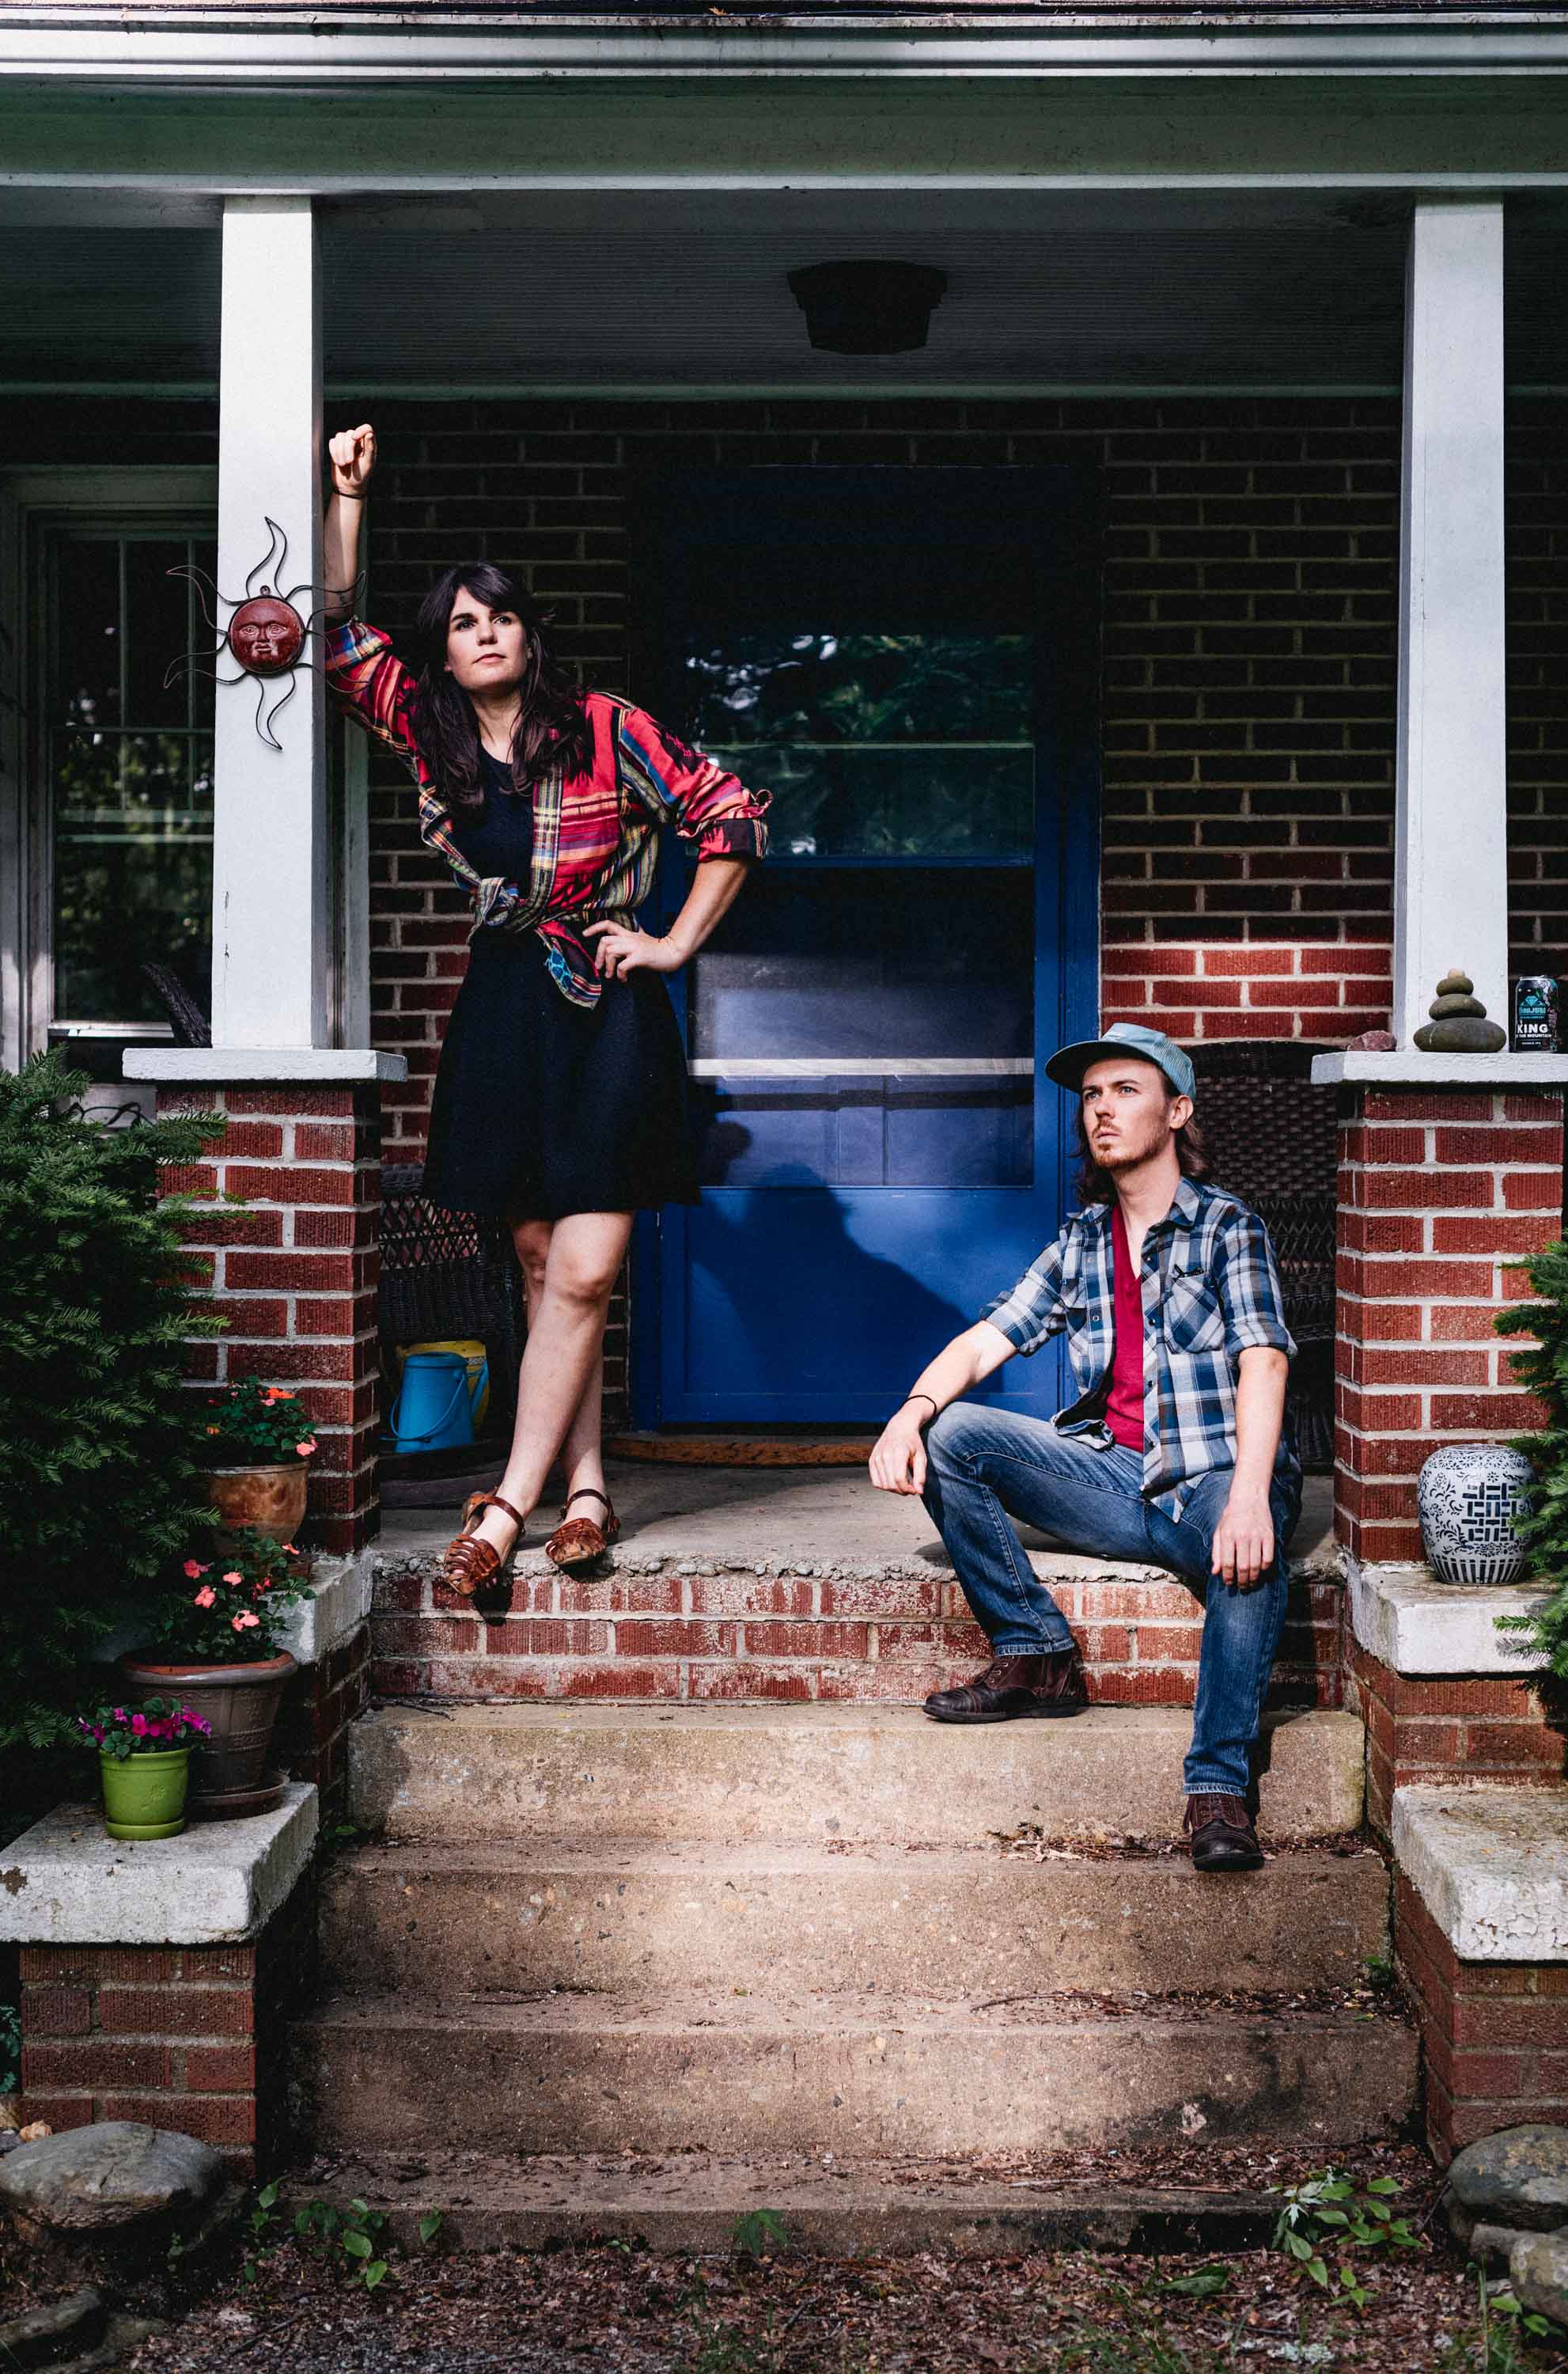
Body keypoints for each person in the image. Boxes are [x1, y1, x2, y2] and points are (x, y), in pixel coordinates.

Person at [322, 424, 770, 1593]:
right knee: (532, 1257)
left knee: (579, 1272)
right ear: (446, 647)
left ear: (530, 634)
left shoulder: (605, 727)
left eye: (500, 616)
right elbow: (330, 641)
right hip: (505, 1002)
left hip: (608, 1010)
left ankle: (503, 1506)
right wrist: (345, 500)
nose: (483, 634)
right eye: (462, 622)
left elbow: (730, 815)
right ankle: (584, 1487)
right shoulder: (425, 732)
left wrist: (669, 943)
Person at [867, 1023, 1301, 1874]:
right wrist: (906, 1413)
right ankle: (1035, 1652)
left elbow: (1264, 1356)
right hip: (1118, 1477)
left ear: (1175, 1112)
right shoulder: (1081, 1241)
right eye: (1091, 1095)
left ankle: (1216, 1787)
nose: (1101, 1109)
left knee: (1250, 1557)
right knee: (955, 1434)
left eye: (1125, 1091)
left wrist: (1250, 1494)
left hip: (1211, 1477)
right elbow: (986, 1339)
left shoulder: (1223, 1228)